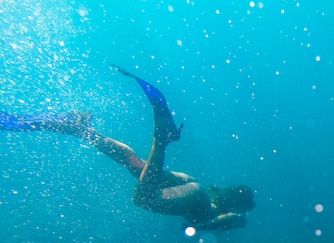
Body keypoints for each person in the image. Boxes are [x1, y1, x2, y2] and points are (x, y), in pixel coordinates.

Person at [0, 64, 255, 231]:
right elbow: (228, 220)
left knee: (134, 163)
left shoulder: (214, 194)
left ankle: (83, 130)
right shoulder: (238, 215)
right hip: (195, 195)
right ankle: (162, 138)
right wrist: (199, 229)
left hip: (192, 185)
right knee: (143, 198)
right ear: (241, 204)